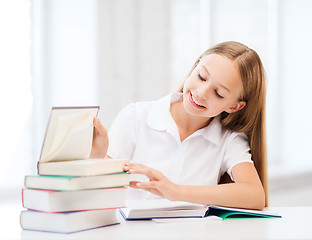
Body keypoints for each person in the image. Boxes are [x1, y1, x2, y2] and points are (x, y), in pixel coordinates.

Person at [91, 41, 267, 210]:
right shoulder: (136, 116)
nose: (201, 92)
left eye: (218, 93)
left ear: (234, 106)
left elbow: (255, 195)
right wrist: (97, 158)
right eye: (201, 77)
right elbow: (98, 191)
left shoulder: (228, 139)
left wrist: (175, 191)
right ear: (194, 67)